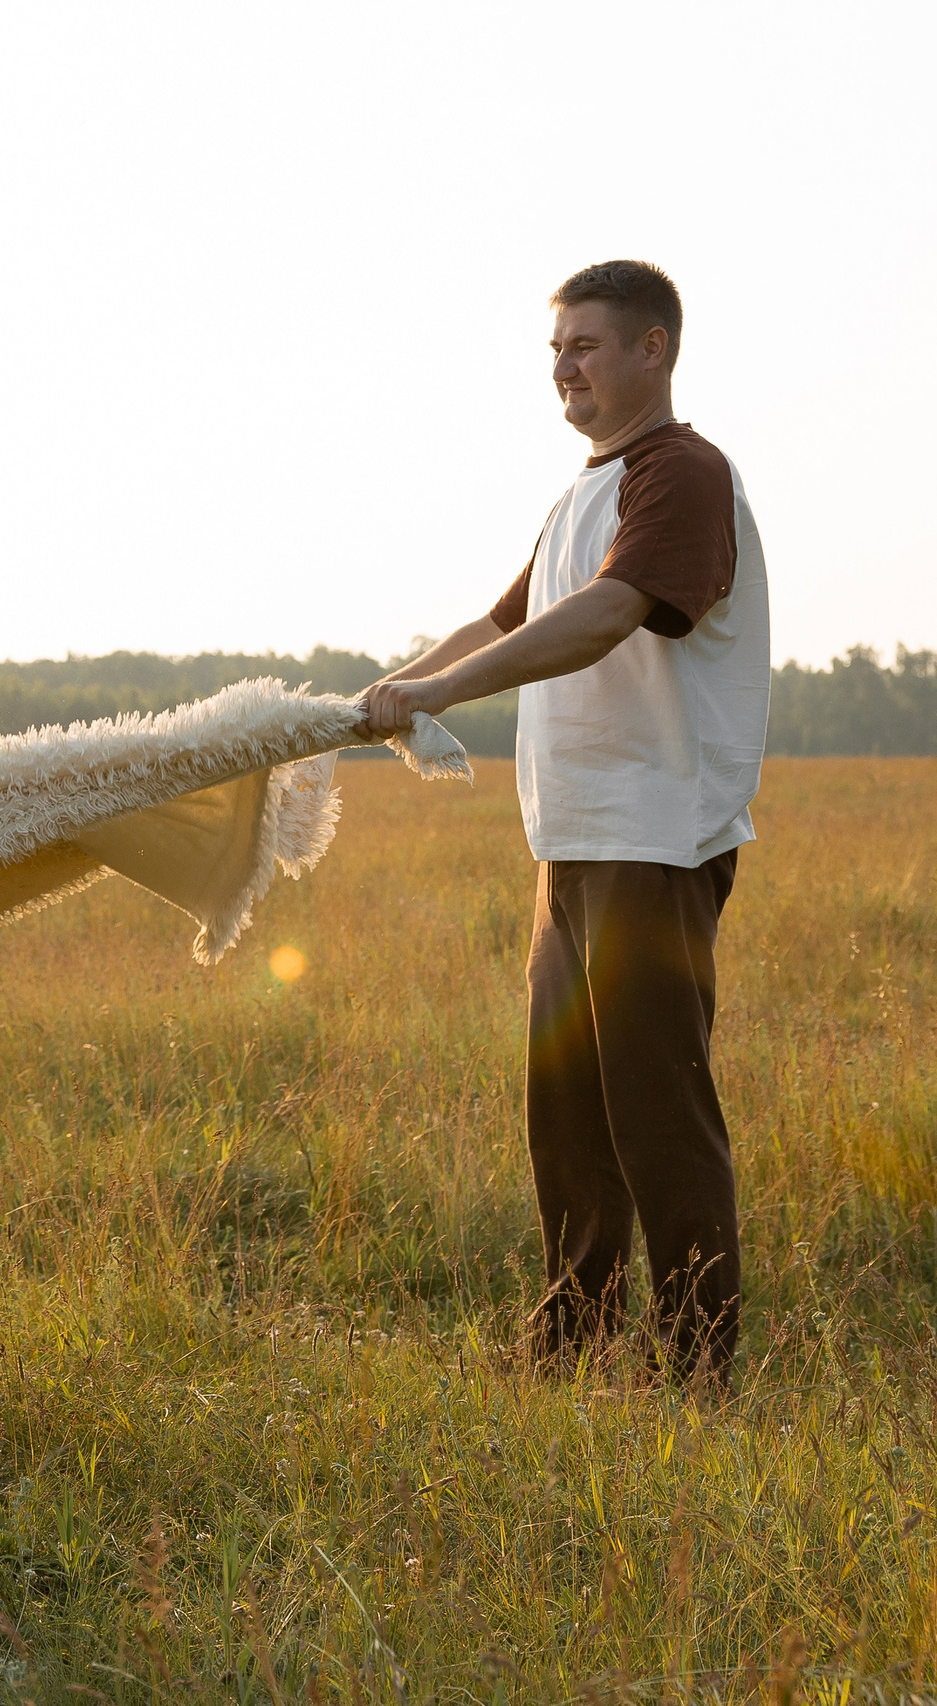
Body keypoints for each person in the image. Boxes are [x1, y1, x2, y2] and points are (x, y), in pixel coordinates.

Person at [362, 260, 769, 1382]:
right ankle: (570, 1345)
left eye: (585, 346)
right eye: (554, 351)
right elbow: (505, 618)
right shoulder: (580, 492)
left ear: (654, 349)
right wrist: (378, 696)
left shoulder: (679, 472)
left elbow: (601, 615)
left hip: (654, 840)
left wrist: (442, 697)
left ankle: (695, 1371)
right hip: (574, 846)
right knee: (570, 1120)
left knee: (655, 1116)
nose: (564, 368)